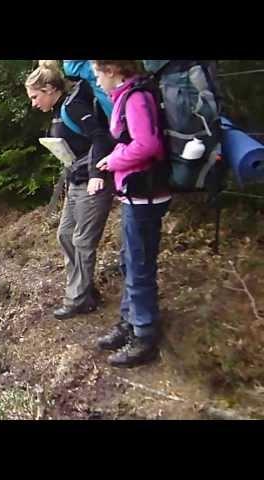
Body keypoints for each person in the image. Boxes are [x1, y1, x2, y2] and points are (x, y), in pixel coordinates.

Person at [91, 60, 171, 368]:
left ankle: (144, 335)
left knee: (138, 264)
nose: (97, 81)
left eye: (98, 74)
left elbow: (147, 144)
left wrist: (114, 161)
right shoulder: (126, 95)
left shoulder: (136, 97)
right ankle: (129, 322)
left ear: (112, 69)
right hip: (136, 194)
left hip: (145, 195)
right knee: (129, 261)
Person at [25, 60, 115, 320]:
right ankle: (85, 291)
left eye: (35, 96)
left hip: (93, 181)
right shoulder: (57, 110)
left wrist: (97, 174)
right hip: (77, 181)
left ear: (50, 89)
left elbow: (101, 137)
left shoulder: (73, 106)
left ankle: (77, 298)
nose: (33, 103)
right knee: (65, 235)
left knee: (83, 241)